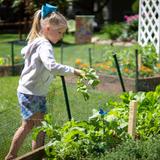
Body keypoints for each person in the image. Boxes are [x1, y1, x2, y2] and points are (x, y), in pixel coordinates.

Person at [5, 3, 84, 160]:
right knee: (28, 125)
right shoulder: (44, 44)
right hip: (31, 92)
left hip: (33, 91)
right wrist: (74, 71)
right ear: (47, 28)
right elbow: (51, 66)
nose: (61, 36)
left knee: (40, 126)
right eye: (60, 32)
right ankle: (11, 156)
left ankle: (37, 155)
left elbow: (26, 53)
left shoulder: (37, 41)